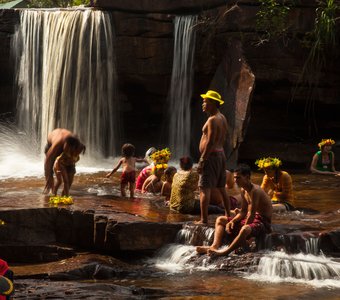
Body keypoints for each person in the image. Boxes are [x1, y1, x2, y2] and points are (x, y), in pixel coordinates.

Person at [196, 164, 272, 256]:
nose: (235, 181)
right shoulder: (243, 190)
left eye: (238, 178)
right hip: (251, 217)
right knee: (220, 219)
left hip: (263, 222)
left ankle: (225, 251)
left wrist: (243, 230)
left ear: (247, 177)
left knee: (244, 229)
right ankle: (214, 246)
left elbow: (251, 214)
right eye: (235, 178)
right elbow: (244, 211)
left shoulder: (255, 191)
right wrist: (232, 221)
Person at [197, 90, 230, 224]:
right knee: (221, 187)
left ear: (213, 103)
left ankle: (203, 219)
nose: (203, 104)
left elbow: (210, 142)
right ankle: (228, 214)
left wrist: (202, 159)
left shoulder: (212, 120)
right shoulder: (222, 117)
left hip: (211, 156)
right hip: (220, 154)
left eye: (205, 101)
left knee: (204, 188)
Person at [44, 128, 85, 194]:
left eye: (69, 150)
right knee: (51, 175)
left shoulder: (78, 145)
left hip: (69, 143)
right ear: (65, 144)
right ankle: (51, 191)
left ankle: (65, 194)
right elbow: (47, 161)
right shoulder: (57, 145)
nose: (67, 151)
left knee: (70, 175)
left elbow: (73, 158)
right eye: (66, 149)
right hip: (51, 145)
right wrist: (49, 177)